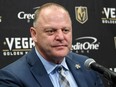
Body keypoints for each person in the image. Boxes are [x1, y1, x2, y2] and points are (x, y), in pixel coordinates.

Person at [0, 2, 104, 87]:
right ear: (34, 34)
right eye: (51, 31)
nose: (60, 37)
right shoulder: (11, 78)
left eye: (65, 30)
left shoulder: (87, 66)